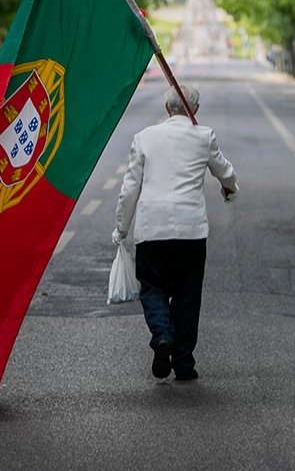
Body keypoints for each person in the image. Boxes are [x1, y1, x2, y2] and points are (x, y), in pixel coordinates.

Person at [113, 85, 238, 382]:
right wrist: (230, 190)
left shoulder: (144, 138)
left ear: (168, 109)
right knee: (187, 296)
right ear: (194, 110)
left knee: (153, 287)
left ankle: (161, 335)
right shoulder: (203, 136)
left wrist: (121, 228)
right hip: (190, 231)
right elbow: (225, 173)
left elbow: (130, 189)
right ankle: (183, 363)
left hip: (151, 229)